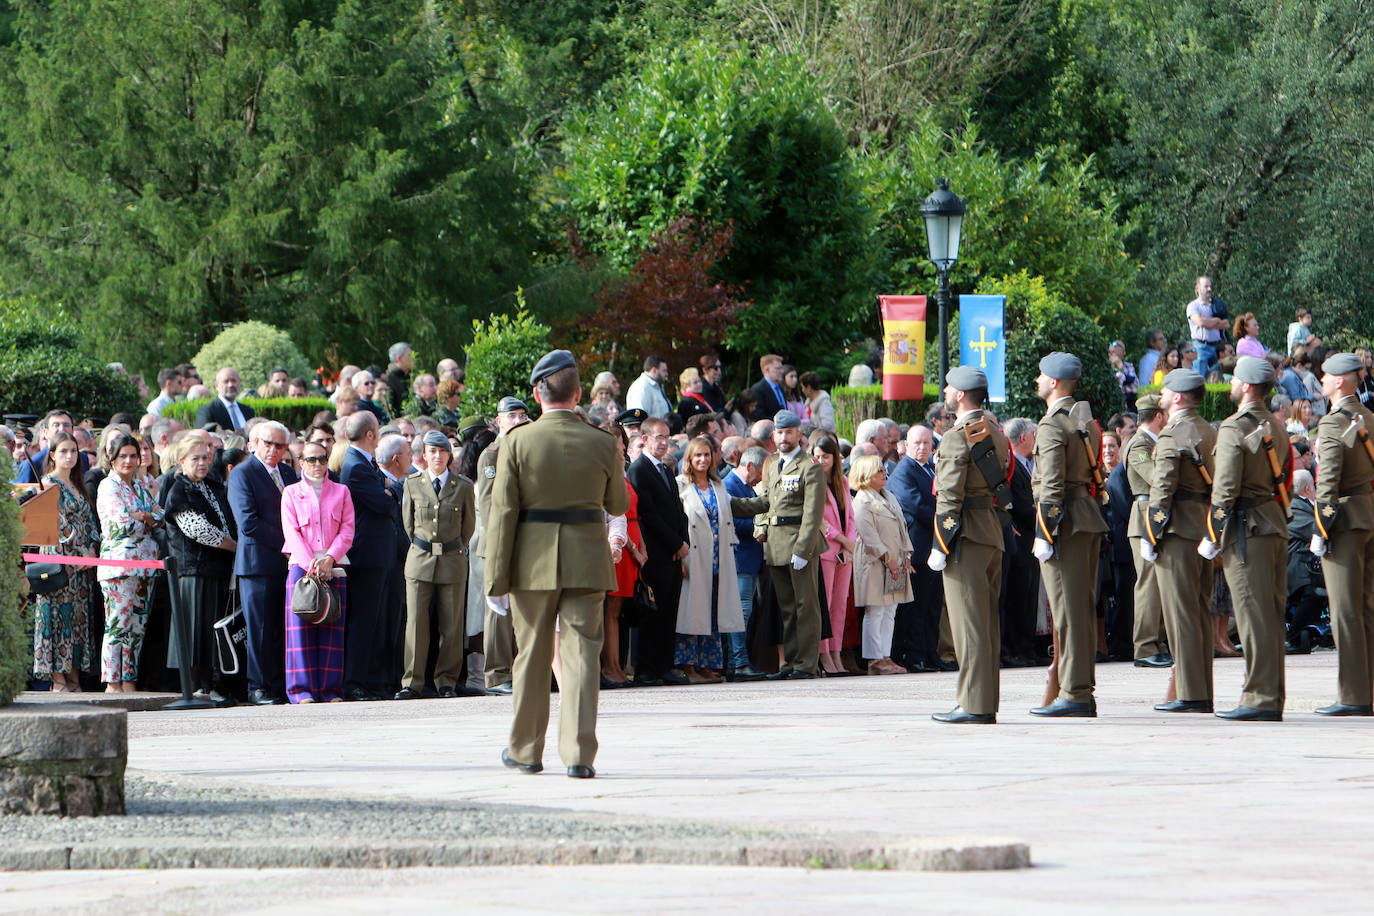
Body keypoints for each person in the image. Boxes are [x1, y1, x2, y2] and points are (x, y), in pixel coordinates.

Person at [485, 349, 628, 779]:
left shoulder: (515, 442)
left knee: (531, 654)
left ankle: (527, 750)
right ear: (579, 393)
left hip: (531, 561)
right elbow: (617, 503)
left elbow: (503, 514)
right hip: (587, 557)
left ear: (536, 392)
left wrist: (495, 578)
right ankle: (580, 754)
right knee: (583, 655)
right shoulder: (603, 442)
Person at [1199, 356, 1291, 721]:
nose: (1231, 384)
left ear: (1247, 387)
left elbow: (1224, 489)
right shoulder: (1276, 425)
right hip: (1273, 522)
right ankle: (1271, 694)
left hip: (1247, 527)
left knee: (1253, 615)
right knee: (1269, 613)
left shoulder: (1235, 427)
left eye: (1235, 379)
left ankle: (1259, 698)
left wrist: (1212, 534)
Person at [924, 367, 1012, 723]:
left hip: (966, 537)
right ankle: (984, 700)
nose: (945, 390)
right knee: (986, 625)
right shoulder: (996, 431)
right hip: (990, 532)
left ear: (960, 395)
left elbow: (949, 495)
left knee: (968, 625)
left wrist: (939, 543)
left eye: (949, 387)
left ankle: (974, 704)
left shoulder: (956, 436)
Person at [1029, 353, 1108, 717]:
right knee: (1079, 609)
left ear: (1055, 383)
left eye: (1042, 376)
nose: (1037, 381)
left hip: (1065, 522)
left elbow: (1051, 485)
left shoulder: (1051, 425)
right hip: (1086, 517)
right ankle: (1079, 687)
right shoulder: (1085, 421)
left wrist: (1045, 531)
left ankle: (1075, 692)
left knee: (1067, 612)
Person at [729, 410, 828, 679]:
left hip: (799, 541)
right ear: (774, 436)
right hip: (776, 544)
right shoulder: (772, 465)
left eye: (789, 432)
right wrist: (730, 503)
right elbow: (765, 503)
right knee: (787, 608)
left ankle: (806, 664)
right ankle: (790, 663)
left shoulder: (811, 467)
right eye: (780, 433)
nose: (784, 437)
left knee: (805, 606)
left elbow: (813, 512)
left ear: (798, 434)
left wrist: (803, 548)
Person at [1142, 368, 1216, 714]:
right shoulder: (1211, 432)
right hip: (1204, 529)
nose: (1162, 398)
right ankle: (1201, 688)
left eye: (1166, 392)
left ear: (1179, 398)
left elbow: (1163, 489)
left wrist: (1151, 532)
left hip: (1178, 531)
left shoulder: (1172, 435)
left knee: (1180, 613)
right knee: (1200, 610)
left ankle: (1190, 692)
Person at [1309, 353, 1374, 716]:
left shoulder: (1334, 423)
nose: (1322, 380)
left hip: (1345, 522)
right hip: (1367, 516)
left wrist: (1321, 527)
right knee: (1364, 609)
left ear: (1342, 381)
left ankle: (1352, 696)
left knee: (1346, 612)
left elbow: (1328, 483)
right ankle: (1365, 691)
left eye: (1327, 376)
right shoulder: (1368, 417)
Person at [397, 431, 476, 699]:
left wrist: (451, 547)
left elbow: (468, 528)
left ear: (449, 456)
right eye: (432, 451)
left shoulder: (463, 486)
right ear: (424, 455)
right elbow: (408, 525)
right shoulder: (412, 484)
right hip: (420, 560)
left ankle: (446, 681)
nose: (438, 456)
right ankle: (412, 682)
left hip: (452, 560)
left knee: (451, 625)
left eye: (442, 452)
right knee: (416, 624)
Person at [162, 436, 237, 705]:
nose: (203, 463)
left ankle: (213, 683)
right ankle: (195, 686)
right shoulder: (179, 490)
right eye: (195, 458)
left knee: (213, 628)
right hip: (193, 569)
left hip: (217, 567)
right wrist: (234, 547)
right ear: (181, 461)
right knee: (195, 630)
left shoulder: (212, 486)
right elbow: (198, 530)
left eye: (206, 457)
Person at [279, 436, 354, 704]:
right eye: (311, 459)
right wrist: (310, 562)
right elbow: (291, 531)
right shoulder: (290, 492)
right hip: (302, 568)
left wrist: (330, 558)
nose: (317, 465)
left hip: (334, 566)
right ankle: (302, 691)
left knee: (333, 629)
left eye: (322, 459)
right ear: (301, 463)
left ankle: (331, 690)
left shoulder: (341, 491)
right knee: (300, 631)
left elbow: (347, 530)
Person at [226, 421, 297, 705]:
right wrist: (290, 542)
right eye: (267, 443)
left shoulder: (289, 472)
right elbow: (248, 523)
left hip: (288, 564)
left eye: (279, 445)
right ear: (253, 443)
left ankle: (279, 686)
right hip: (258, 564)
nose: (273, 450)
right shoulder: (243, 473)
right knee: (260, 630)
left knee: (281, 628)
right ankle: (258, 687)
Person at [30, 432, 99, 692]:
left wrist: (91, 549)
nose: (69, 456)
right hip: (59, 558)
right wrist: (81, 549)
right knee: (58, 617)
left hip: (82, 565)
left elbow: (90, 521)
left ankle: (74, 677)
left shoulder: (77, 483)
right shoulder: (49, 483)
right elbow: (59, 523)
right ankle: (58, 679)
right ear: (52, 455)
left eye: (73, 451)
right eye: (63, 451)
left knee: (79, 618)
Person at [339, 410, 400, 701]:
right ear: (371, 435)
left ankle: (375, 679)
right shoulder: (356, 465)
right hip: (367, 554)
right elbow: (383, 503)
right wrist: (392, 490)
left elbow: (388, 493)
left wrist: (390, 490)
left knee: (378, 618)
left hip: (379, 552)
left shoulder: (366, 463)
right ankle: (355, 681)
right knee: (364, 620)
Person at [674, 436, 745, 684]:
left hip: (718, 557)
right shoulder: (681, 485)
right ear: (689, 459)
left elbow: (727, 520)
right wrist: (679, 558)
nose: (703, 460)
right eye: (697, 456)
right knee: (693, 612)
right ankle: (689, 666)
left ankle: (708, 664)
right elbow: (678, 524)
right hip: (694, 556)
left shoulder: (718, 485)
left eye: (706, 454)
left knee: (714, 612)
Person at [96, 433, 164, 692]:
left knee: (137, 627)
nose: (128, 460)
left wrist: (144, 515)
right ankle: (112, 683)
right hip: (119, 566)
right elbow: (122, 523)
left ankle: (129, 680)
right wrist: (143, 518)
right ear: (111, 458)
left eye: (133, 455)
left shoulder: (140, 486)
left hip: (145, 566)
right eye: (122, 455)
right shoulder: (108, 486)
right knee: (117, 624)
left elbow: (160, 515)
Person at [626, 416, 691, 686]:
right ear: (645, 439)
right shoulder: (640, 470)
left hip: (673, 554)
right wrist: (675, 544)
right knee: (651, 613)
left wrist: (682, 542)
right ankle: (646, 668)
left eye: (667, 437)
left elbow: (678, 513)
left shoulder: (665, 471)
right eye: (658, 437)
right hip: (654, 552)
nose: (664, 443)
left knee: (668, 612)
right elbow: (649, 515)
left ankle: (664, 665)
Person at [476, 397, 532, 695]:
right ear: (498, 421)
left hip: (527, 540)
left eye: (523, 415)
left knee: (524, 609)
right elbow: (488, 505)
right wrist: (502, 543)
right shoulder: (492, 455)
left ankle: (522, 671)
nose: (519, 420)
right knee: (499, 612)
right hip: (500, 542)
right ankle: (497, 675)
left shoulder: (527, 450)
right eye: (512, 416)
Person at [1115, 395, 1171, 668]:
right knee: (1148, 584)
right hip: (1145, 516)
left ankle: (1157, 643)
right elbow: (1155, 478)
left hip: (1154, 515)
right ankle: (1145, 646)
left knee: (1158, 584)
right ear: (1158, 416)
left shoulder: (1151, 443)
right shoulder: (1139, 444)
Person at [850, 454, 914, 674]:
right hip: (874, 562)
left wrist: (906, 556)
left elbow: (902, 526)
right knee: (875, 610)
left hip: (895, 561)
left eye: (884, 469)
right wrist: (887, 558)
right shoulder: (862, 500)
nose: (884, 473)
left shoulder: (888, 496)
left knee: (890, 610)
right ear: (866, 475)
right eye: (878, 471)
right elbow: (868, 535)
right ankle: (874, 659)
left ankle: (885, 656)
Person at [722, 446, 770, 681]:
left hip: (748, 560)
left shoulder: (746, 487)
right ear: (750, 466)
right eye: (761, 471)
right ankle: (738, 663)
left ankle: (738, 662)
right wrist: (761, 526)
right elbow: (730, 523)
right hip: (738, 558)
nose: (762, 477)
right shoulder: (729, 486)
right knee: (740, 612)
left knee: (744, 612)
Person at [604, 425, 646, 687]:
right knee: (610, 610)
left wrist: (643, 550)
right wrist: (631, 548)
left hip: (632, 548)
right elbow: (614, 517)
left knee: (618, 611)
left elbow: (634, 515)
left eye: (621, 444)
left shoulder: (624, 475)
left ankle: (618, 665)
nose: (621, 449)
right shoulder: (608, 477)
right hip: (620, 547)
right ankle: (610, 666)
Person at [811, 436, 855, 675]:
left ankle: (837, 652)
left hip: (844, 552)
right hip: (826, 550)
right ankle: (823, 653)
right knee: (824, 605)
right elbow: (818, 520)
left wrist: (850, 545)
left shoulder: (843, 482)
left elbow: (850, 516)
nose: (820, 461)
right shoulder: (813, 482)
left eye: (825, 456)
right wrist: (842, 540)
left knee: (839, 606)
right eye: (816, 456)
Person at [1186, 276, 1227, 380]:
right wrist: (1216, 321)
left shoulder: (1217, 305)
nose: (1209, 289)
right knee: (1200, 379)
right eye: (1206, 287)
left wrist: (1207, 322)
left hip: (1216, 346)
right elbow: (1199, 322)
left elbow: (1226, 324)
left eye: (1210, 286)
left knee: (1217, 379)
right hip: (1201, 346)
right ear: (1197, 288)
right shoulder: (1193, 306)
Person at [625, 355, 674, 419]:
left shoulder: (656, 386)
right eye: (664, 370)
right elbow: (639, 418)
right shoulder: (641, 387)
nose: (666, 374)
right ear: (654, 370)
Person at [747, 355, 788, 422]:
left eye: (782, 368)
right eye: (778, 368)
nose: (782, 371)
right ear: (767, 370)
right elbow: (759, 416)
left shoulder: (780, 387)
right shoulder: (758, 389)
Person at [383, 342, 415, 417]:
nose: (413, 358)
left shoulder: (412, 376)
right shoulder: (388, 380)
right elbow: (389, 409)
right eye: (410, 355)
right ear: (399, 358)